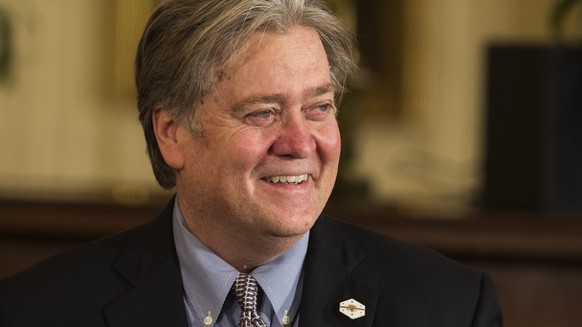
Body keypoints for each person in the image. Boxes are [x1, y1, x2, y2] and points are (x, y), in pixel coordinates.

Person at [0, 0, 502, 326]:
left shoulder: (451, 307)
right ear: (171, 132)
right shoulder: (36, 310)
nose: (300, 141)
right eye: (263, 112)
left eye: (319, 107)